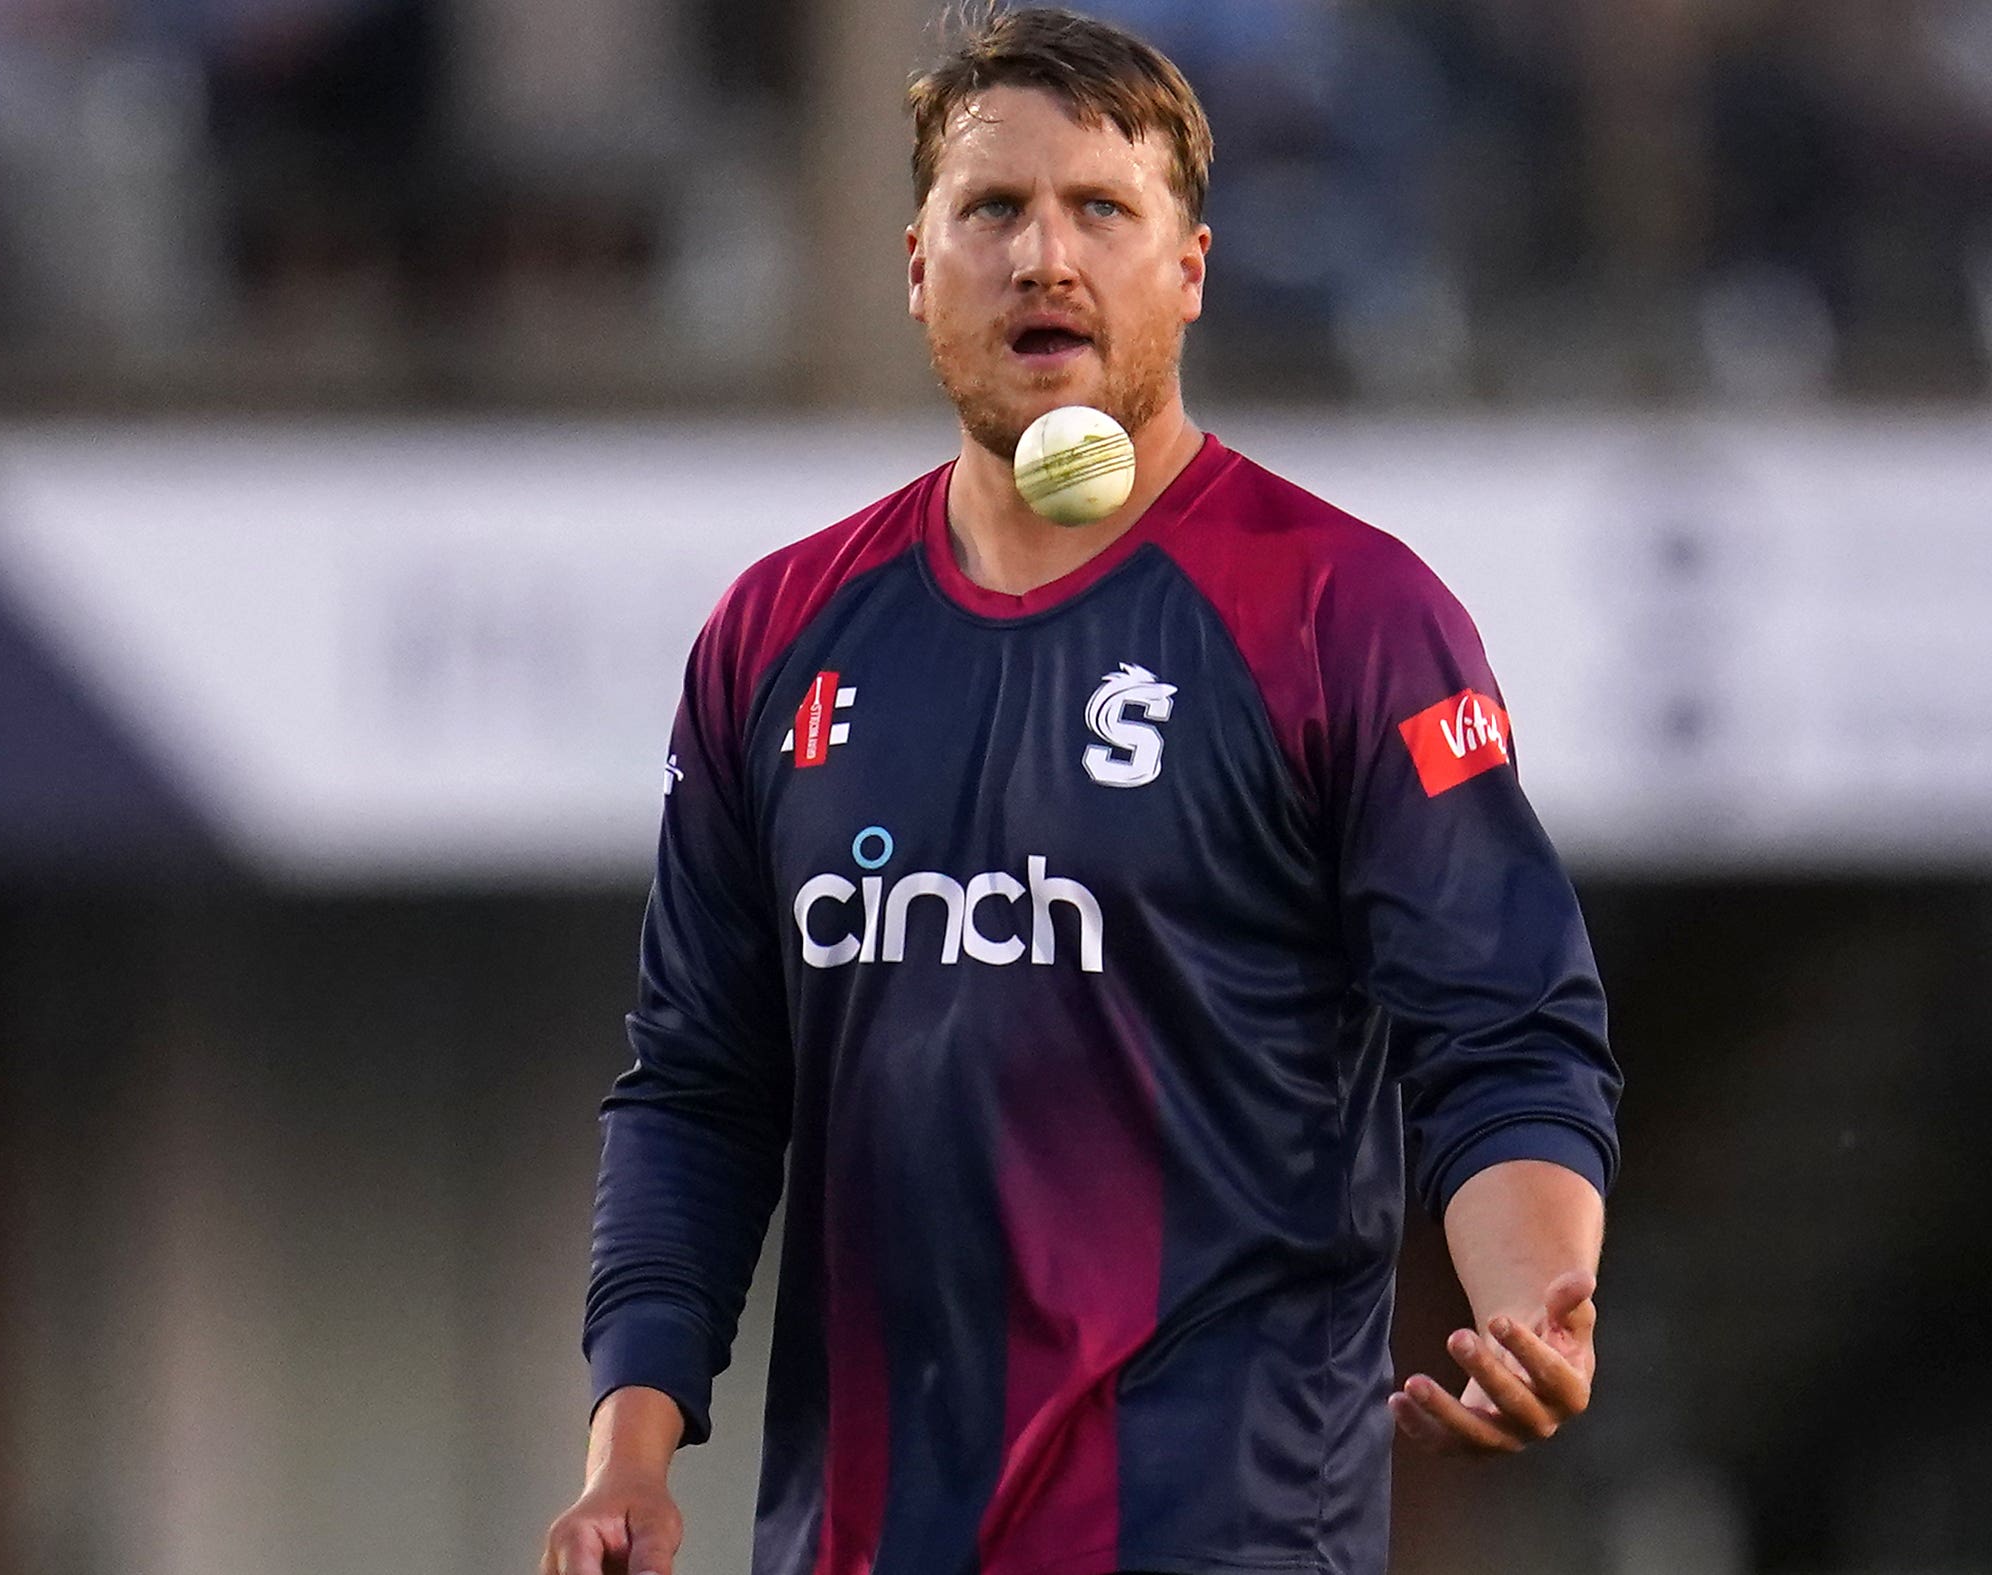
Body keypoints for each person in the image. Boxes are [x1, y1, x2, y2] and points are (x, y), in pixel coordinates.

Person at [542, 9, 1620, 1575]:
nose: (1044, 256)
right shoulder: (775, 639)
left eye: (1100, 212)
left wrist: (1533, 1301)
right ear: (916, 264)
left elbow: (1504, 1027)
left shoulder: (1346, 617)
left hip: (1220, 1537)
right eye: (993, 211)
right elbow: (698, 1089)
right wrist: (627, 1453)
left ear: (1186, 266)